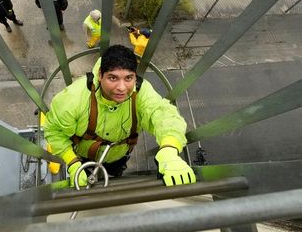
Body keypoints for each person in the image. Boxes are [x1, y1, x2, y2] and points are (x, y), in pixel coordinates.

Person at [44, 45, 196, 187]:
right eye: (113, 78)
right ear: (100, 75)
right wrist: (72, 162)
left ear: (135, 77)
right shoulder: (74, 99)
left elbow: (163, 114)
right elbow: (54, 131)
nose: (122, 88)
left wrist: (169, 149)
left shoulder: (140, 93)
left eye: (128, 78)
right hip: (83, 157)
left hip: (119, 157)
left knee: (116, 175)